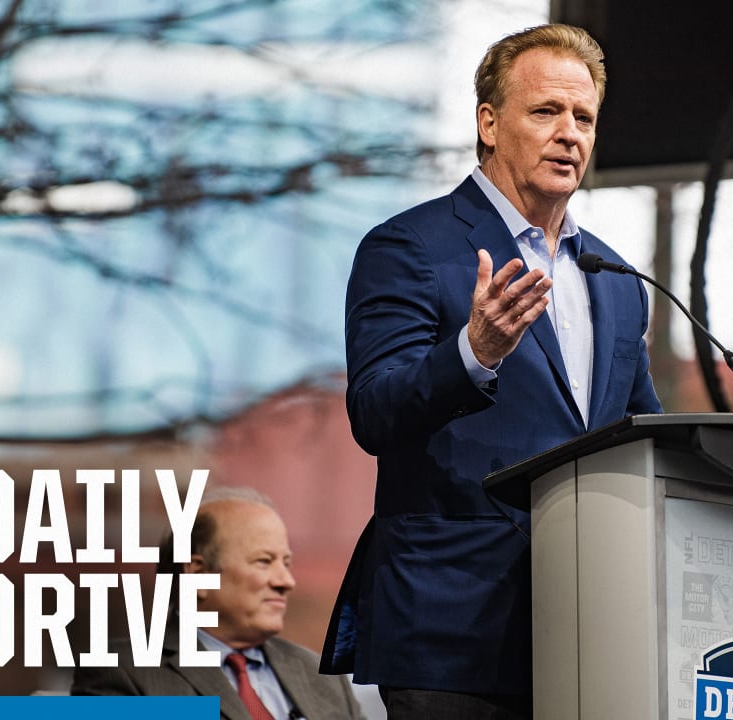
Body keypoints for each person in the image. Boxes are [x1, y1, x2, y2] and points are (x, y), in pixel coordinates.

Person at [321, 22, 662, 719]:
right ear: (488, 122)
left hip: (587, 641)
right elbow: (376, 411)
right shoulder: (410, 247)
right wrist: (473, 352)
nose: (569, 133)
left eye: (584, 117)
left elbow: (643, 437)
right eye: (546, 111)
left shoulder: (615, 275)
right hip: (452, 632)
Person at [73, 488, 366, 720]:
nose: (286, 580)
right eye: (264, 562)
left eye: (286, 563)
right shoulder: (123, 669)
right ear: (199, 574)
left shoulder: (321, 674)